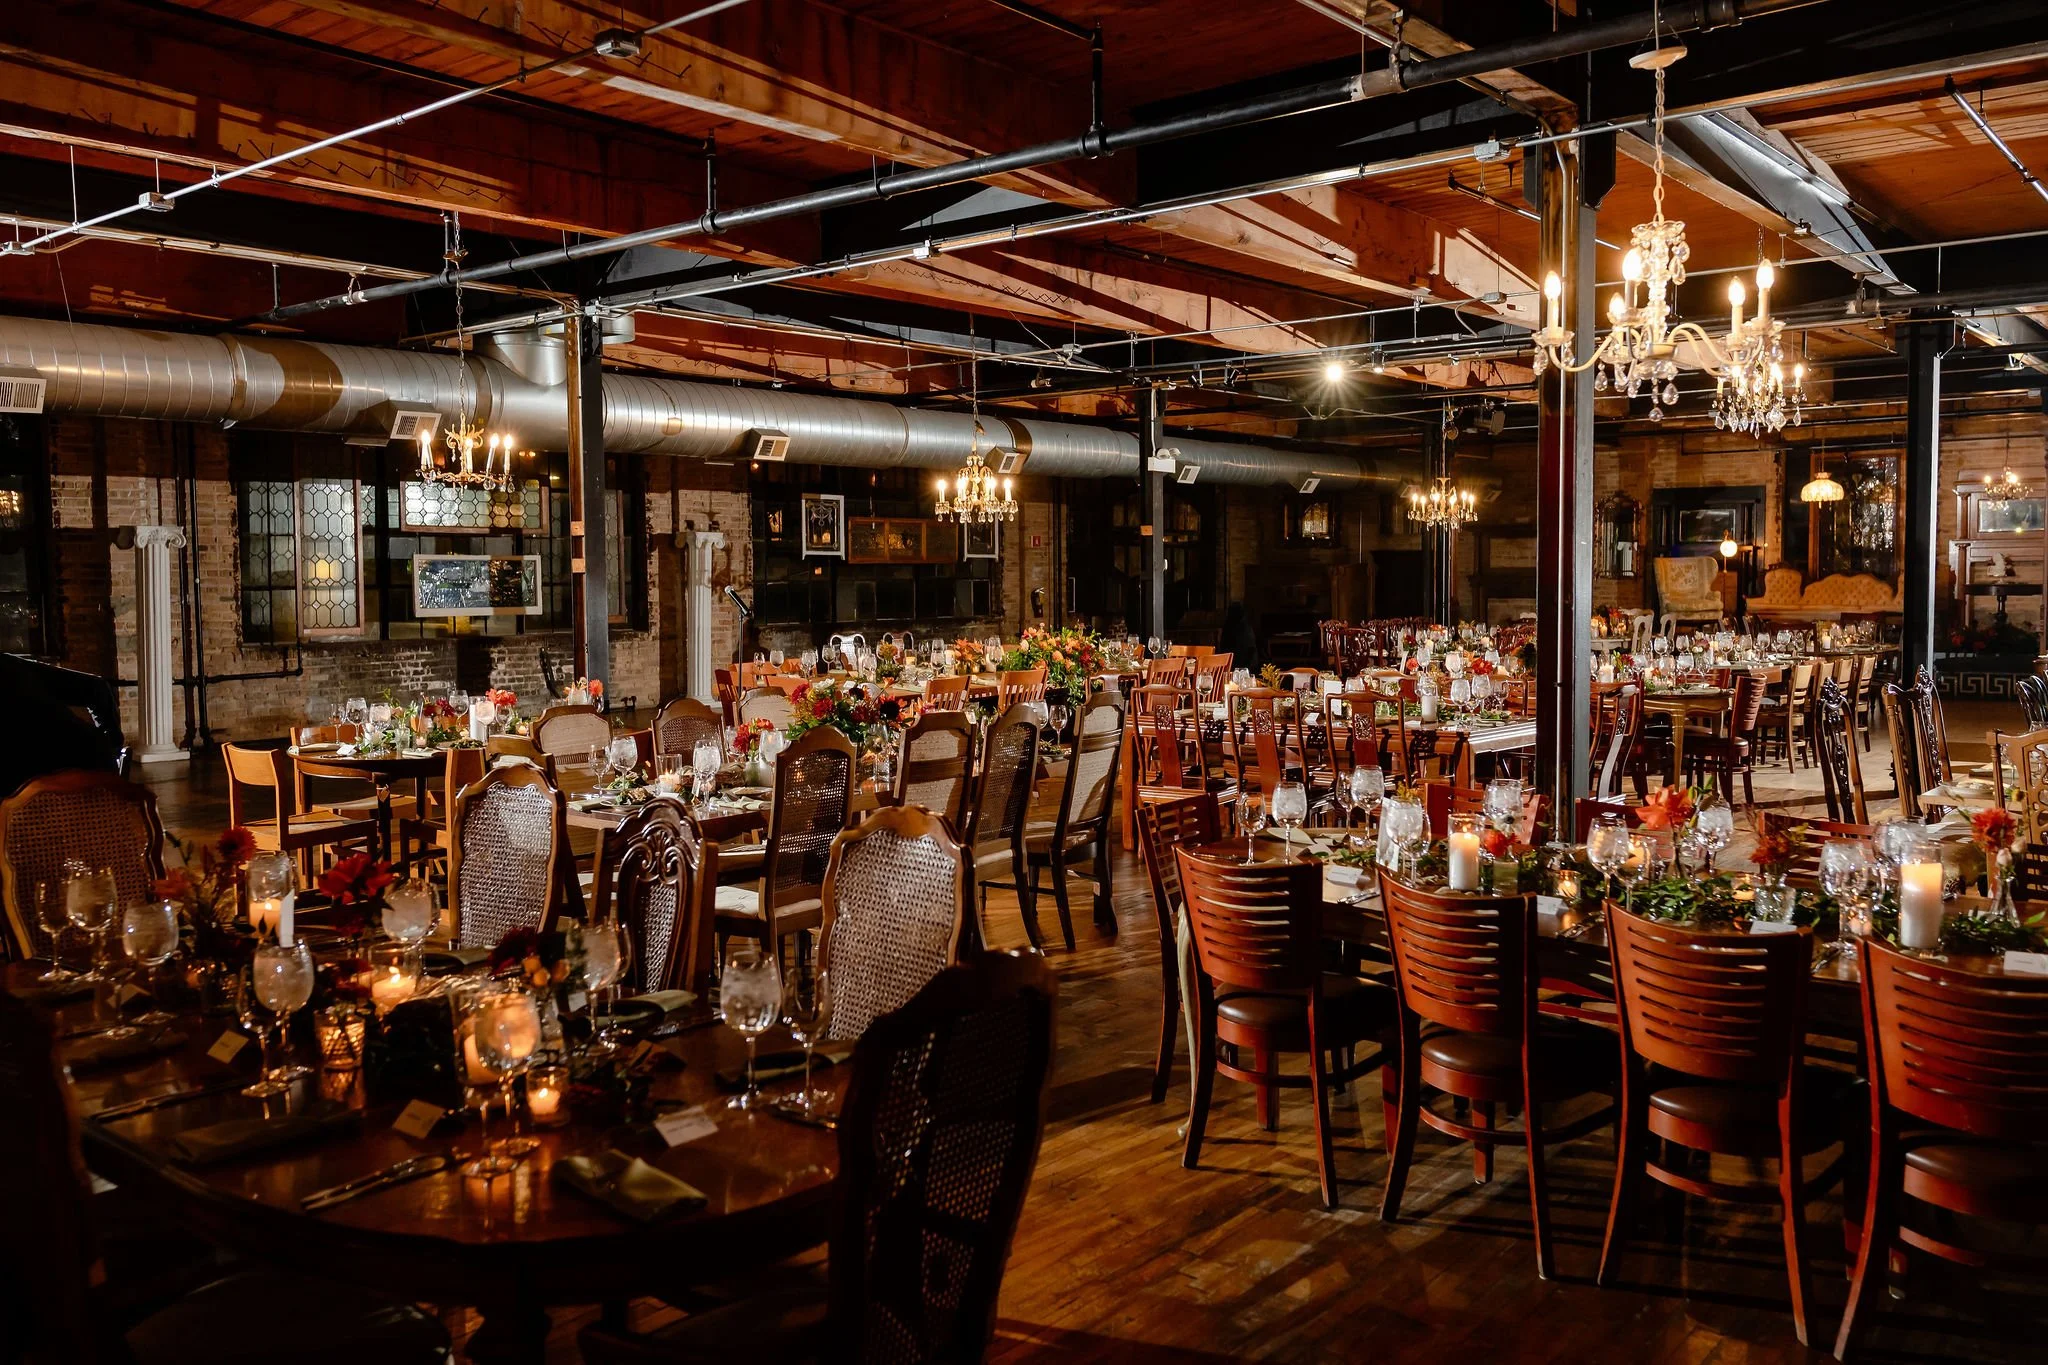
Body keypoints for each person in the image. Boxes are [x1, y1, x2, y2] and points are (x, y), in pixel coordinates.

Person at [1220, 602, 1258, 672]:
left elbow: (1223, 647)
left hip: (1232, 663)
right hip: (1247, 664)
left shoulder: (1228, 626)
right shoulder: (1246, 626)